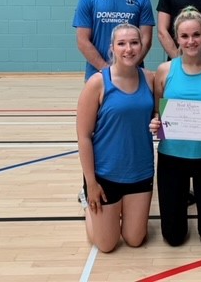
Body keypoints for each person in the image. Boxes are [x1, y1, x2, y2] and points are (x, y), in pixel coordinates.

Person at [149, 7, 201, 247]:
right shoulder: (164, 71)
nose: (191, 41)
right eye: (184, 36)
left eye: (196, 35)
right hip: (172, 157)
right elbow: (158, 109)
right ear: (177, 39)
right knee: (173, 238)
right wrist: (156, 122)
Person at [76, 23, 155, 253]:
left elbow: (160, 117)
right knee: (107, 245)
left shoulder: (150, 79)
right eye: (122, 43)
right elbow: (83, 136)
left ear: (142, 46)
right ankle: (87, 205)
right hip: (105, 175)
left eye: (134, 43)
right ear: (112, 48)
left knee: (135, 239)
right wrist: (91, 183)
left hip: (140, 172)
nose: (128, 49)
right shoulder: (98, 83)